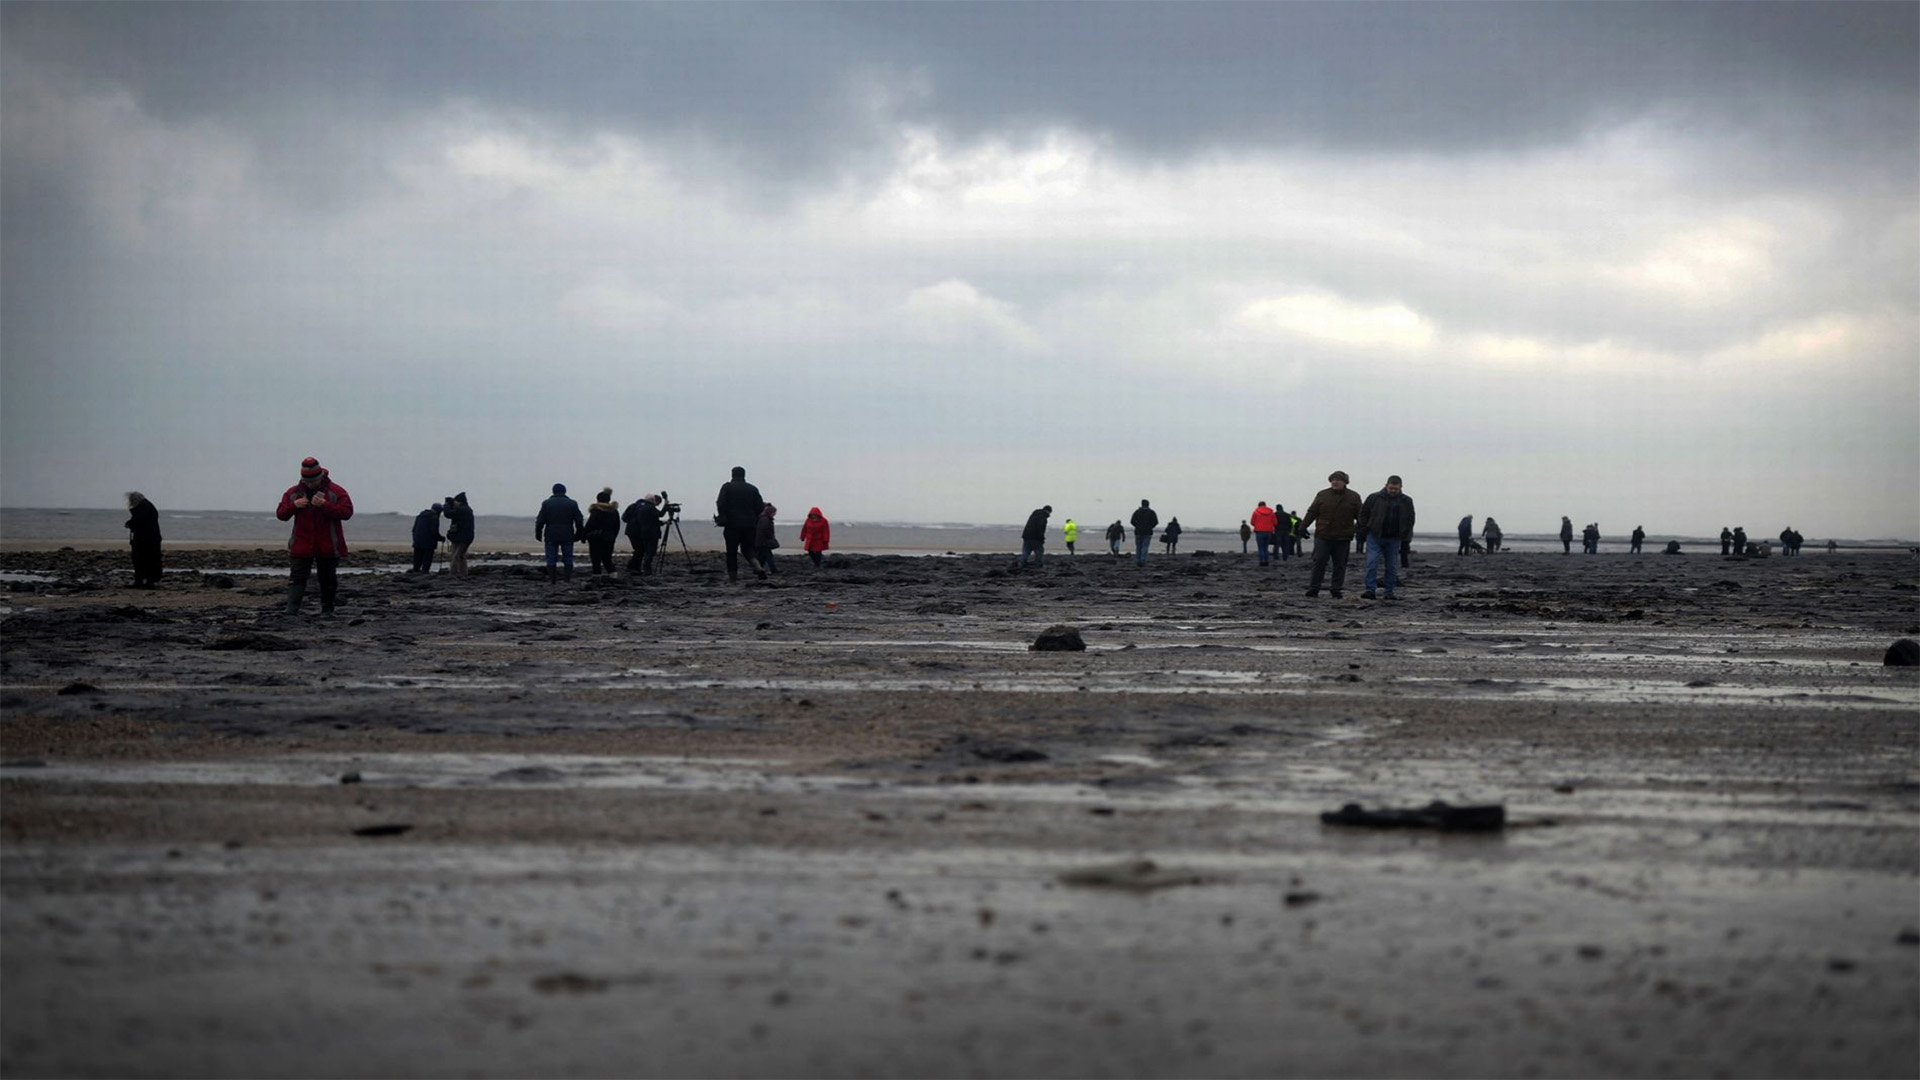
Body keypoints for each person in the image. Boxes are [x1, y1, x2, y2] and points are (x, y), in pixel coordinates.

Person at [276, 457, 354, 617]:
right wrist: (294, 506)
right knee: (297, 577)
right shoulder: (293, 493)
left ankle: (327, 610)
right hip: (301, 544)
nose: (311, 484)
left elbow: (347, 513)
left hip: (328, 545)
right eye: (307, 481)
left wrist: (325, 505)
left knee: (327, 579)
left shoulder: (336, 491)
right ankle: (291, 610)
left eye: (314, 481)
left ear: (321, 477)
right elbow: (281, 514)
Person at [1299, 470, 1362, 599]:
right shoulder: (1322, 494)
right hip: (1323, 535)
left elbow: (1361, 516)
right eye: (1333, 480)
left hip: (1343, 537)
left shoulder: (1354, 497)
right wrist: (1303, 526)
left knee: (1340, 564)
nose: (1335, 482)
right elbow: (1312, 512)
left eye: (1338, 479)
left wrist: (1361, 530)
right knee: (1319, 561)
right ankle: (1314, 588)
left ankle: (1336, 589)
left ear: (1345, 482)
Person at [1359, 476, 1415, 600]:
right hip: (1375, 535)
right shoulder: (1374, 497)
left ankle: (1389, 592)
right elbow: (1363, 513)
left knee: (1391, 566)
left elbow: (1410, 518)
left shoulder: (1406, 500)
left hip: (1394, 538)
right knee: (1371, 563)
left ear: (1401, 487)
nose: (1393, 491)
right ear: (1386, 485)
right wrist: (1364, 528)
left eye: (1395, 488)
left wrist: (1405, 534)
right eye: (1391, 488)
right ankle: (1370, 590)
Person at [715, 466, 767, 582]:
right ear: (744, 475)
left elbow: (720, 503)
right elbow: (760, 507)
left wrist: (723, 516)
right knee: (748, 549)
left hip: (732, 525)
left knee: (731, 552)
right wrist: (752, 516)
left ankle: (733, 578)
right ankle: (758, 567)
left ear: (732, 474)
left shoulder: (727, 487)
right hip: (750, 525)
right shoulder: (753, 489)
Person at [535, 483, 583, 582]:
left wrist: (538, 533)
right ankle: (567, 579)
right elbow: (579, 520)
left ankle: (552, 580)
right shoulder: (572, 503)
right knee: (568, 557)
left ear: (553, 491)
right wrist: (579, 533)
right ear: (565, 491)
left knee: (551, 557)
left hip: (551, 534)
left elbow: (540, 520)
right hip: (567, 534)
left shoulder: (546, 503)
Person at [124, 491, 163, 588]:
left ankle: (143, 581)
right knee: (150, 559)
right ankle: (147, 580)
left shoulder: (143, 507)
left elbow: (140, 521)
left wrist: (130, 523)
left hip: (145, 539)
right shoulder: (147, 506)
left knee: (141, 559)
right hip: (150, 538)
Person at [581, 488, 621, 576]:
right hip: (609, 538)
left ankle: (597, 577)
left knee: (596, 559)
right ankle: (613, 576)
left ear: (598, 499)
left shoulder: (596, 511)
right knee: (607, 559)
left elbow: (590, 525)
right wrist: (613, 537)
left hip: (596, 538)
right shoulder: (614, 511)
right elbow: (617, 526)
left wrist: (583, 536)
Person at [623, 494, 665, 576]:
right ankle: (633, 567)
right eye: (657, 503)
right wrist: (666, 506)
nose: (657, 505)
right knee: (640, 550)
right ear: (653, 500)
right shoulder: (648, 507)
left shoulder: (636, 506)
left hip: (633, 530)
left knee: (640, 550)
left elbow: (648, 520)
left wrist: (661, 523)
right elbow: (656, 516)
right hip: (637, 531)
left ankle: (634, 567)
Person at [444, 492, 475, 578]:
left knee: (456, 556)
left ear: (460, 502)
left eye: (455, 502)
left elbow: (448, 514)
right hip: (465, 537)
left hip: (462, 538)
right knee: (461, 556)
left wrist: (446, 505)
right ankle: (463, 573)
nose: (454, 503)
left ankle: (454, 573)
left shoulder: (463, 510)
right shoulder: (466, 510)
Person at [410, 502, 445, 573]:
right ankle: (424, 572)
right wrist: (441, 538)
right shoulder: (434, 518)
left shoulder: (420, 516)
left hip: (417, 540)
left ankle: (415, 570)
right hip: (428, 542)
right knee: (427, 558)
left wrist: (415, 538)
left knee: (417, 557)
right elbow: (434, 532)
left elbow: (414, 529)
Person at [1130, 499, 1158, 566]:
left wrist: (1137, 526)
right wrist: (1150, 527)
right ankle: (1143, 560)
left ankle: (1138, 560)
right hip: (1147, 531)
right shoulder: (1151, 512)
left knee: (1138, 546)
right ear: (1148, 504)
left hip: (1138, 531)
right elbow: (1156, 522)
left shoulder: (1137, 512)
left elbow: (1132, 521)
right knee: (1145, 546)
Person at [754, 503, 780, 575]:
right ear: (770, 512)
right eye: (774, 512)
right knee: (768, 556)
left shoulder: (764, 518)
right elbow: (764, 530)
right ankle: (773, 570)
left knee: (762, 557)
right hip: (764, 541)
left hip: (761, 541)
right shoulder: (765, 519)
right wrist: (770, 537)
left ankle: (757, 569)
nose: (775, 514)